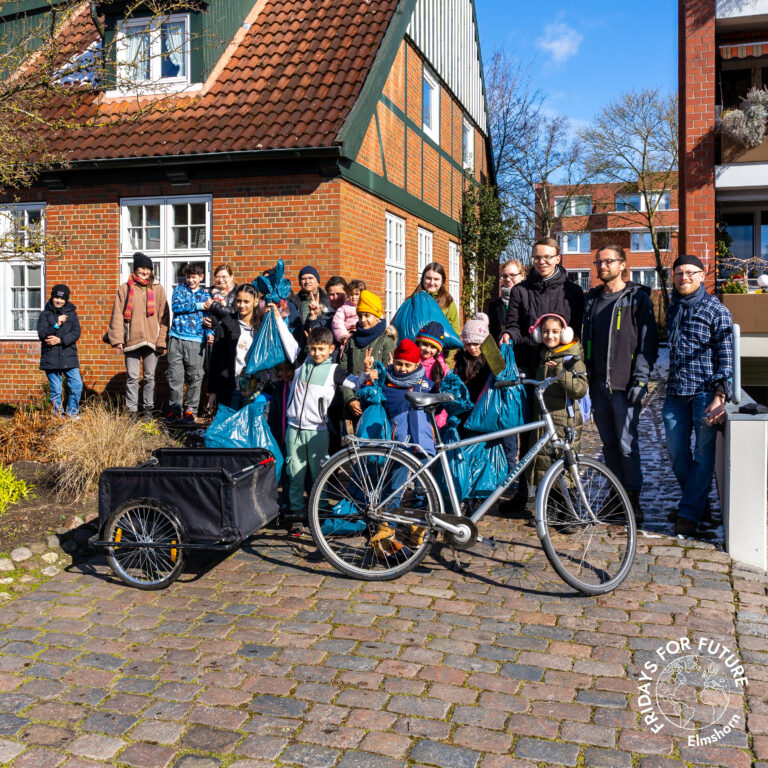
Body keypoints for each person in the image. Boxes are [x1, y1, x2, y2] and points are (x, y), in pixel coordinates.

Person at [503, 237, 585, 509]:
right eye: (537, 257)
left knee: (559, 434)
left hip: (559, 369)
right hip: (528, 369)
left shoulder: (572, 291)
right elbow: (514, 325)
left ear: (558, 258)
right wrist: (508, 334)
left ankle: (561, 499)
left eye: (548, 257)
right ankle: (524, 494)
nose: (542, 262)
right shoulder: (520, 291)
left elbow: (576, 332)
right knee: (528, 433)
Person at [581, 244, 659, 524]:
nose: (602, 266)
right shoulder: (592, 299)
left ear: (623, 265)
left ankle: (633, 501)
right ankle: (615, 498)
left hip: (624, 383)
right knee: (608, 444)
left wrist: (641, 378)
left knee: (627, 444)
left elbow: (647, 344)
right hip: (597, 382)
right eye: (598, 262)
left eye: (608, 261)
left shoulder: (636, 298)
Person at [662, 254, 733, 537]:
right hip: (676, 393)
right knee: (677, 453)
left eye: (690, 273)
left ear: (702, 276)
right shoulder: (673, 307)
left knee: (703, 456)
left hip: (705, 394)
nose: (684, 278)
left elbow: (726, 355)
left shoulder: (716, 310)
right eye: (679, 273)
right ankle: (697, 505)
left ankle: (689, 513)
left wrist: (720, 395)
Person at [281, 325, 364, 535]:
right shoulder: (301, 363)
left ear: (331, 349)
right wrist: (276, 317)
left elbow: (355, 383)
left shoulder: (334, 370)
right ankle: (297, 515)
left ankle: (319, 511)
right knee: (295, 473)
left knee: (319, 474)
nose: (316, 353)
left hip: (318, 431)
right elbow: (287, 340)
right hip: (294, 430)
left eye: (321, 349)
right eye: (313, 349)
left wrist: (366, 373)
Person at [208, 284, 297, 411]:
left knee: (252, 428)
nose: (242, 305)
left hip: (257, 390)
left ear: (255, 301)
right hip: (231, 388)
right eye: (239, 301)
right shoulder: (226, 324)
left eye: (246, 301)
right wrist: (212, 392)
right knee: (231, 428)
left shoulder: (263, 325)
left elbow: (272, 355)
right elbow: (215, 359)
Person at [528, 313, 588, 486]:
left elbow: (580, 389)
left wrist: (561, 372)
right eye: (545, 332)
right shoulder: (544, 356)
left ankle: (566, 510)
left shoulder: (571, 358)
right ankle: (548, 508)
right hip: (545, 420)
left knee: (563, 471)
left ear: (564, 333)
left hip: (564, 423)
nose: (550, 336)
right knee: (545, 468)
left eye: (555, 331)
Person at [107, 252, 169, 417]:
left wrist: (162, 340)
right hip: (131, 340)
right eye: (142, 269)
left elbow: (164, 316)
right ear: (135, 269)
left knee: (149, 378)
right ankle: (132, 411)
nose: (145, 272)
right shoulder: (125, 288)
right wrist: (118, 338)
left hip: (152, 340)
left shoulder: (157, 288)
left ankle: (149, 410)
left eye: (148, 269)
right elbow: (118, 314)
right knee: (132, 378)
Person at [166, 263, 214, 423]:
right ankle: (174, 410)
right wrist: (199, 306)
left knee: (195, 376)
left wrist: (210, 333)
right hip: (176, 338)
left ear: (201, 277)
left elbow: (209, 318)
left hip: (196, 341)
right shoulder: (179, 289)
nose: (190, 280)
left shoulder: (206, 294)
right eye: (188, 277)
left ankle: (190, 411)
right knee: (175, 376)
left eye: (194, 277)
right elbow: (176, 307)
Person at [339, 290, 397, 421]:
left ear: (377, 316)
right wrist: (350, 399)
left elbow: (390, 376)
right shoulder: (352, 340)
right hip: (353, 408)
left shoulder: (386, 341)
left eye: (367, 315)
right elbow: (342, 373)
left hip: (375, 407)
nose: (363, 320)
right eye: (360, 315)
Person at [38, 284, 82, 417]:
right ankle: (57, 417)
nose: (58, 300)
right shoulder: (44, 314)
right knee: (56, 390)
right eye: (56, 297)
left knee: (76, 385)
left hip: (69, 355)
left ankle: (71, 414)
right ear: (52, 297)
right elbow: (42, 334)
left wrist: (60, 340)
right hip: (50, 357)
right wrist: (56, 324)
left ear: (66, 300)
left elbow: (76, 332)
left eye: (62, 298)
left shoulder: (72, 313)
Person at [415, 321, 449, 429]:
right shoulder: (411, 363)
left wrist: (438, 421)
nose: (427, 350)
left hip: (433, 418)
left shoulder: (442, 369)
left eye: (433, 347)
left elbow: (445, 397)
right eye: (424, 344)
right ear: (418, 343)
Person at [412, 262, 460, 336]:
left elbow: (454, 333)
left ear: (442, 281)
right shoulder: (413, 300)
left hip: (440, 347)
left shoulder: (448, 304)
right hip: (415, 346)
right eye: (428, 278)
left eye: (436, 279)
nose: (432, 282)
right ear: (423, 279)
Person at [488, 260, 525, 341]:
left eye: (512, 275)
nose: (508, 279)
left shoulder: (529, 301)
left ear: (522, 276)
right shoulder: (494, 306)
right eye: (505, 276)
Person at [332, 279, 366, 346]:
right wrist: (343, 335)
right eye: (351, 294)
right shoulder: (344, 308)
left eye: (357, 294)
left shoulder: (367, 306)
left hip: (364, 334)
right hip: (349, 336)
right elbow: (337, 322)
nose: (354, 297)